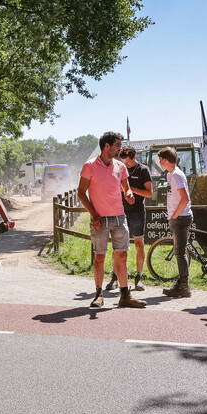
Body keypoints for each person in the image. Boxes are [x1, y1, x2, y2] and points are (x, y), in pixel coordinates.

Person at [77, 132, 145, 309]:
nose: (119, 149)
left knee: (121, 255)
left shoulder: (120, 166)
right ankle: (99, 294)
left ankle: (125, 295)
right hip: (99, 219)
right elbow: (80, 192)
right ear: (107, 146)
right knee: (99, 257)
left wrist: (129, 194)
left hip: (119, 217)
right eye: (117, 145)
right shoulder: (89, 166)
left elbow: (126, 188)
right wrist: (93, 214)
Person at [105, 147, 152, 292]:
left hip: (137, 212)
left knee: (139, 244)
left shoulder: (143, 170)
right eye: (124, 161)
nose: (127, 165)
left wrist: (129, 188)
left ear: (134, 157)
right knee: (117, 246)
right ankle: (114, 278)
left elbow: (150, 193)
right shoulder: (118, 169)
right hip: (120, 211)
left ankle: (139, 277)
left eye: (129, 162)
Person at [156, 147, 193, 297]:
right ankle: (181, 284)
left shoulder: (176, 175)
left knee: (179, 252)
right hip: (179, 217)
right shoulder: (172, 174)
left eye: (160, 159)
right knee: (179, 252)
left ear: (165, 159)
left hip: (181, 218)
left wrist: (175, 216)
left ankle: (184, 286)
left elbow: (185, 199)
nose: (159, 162)